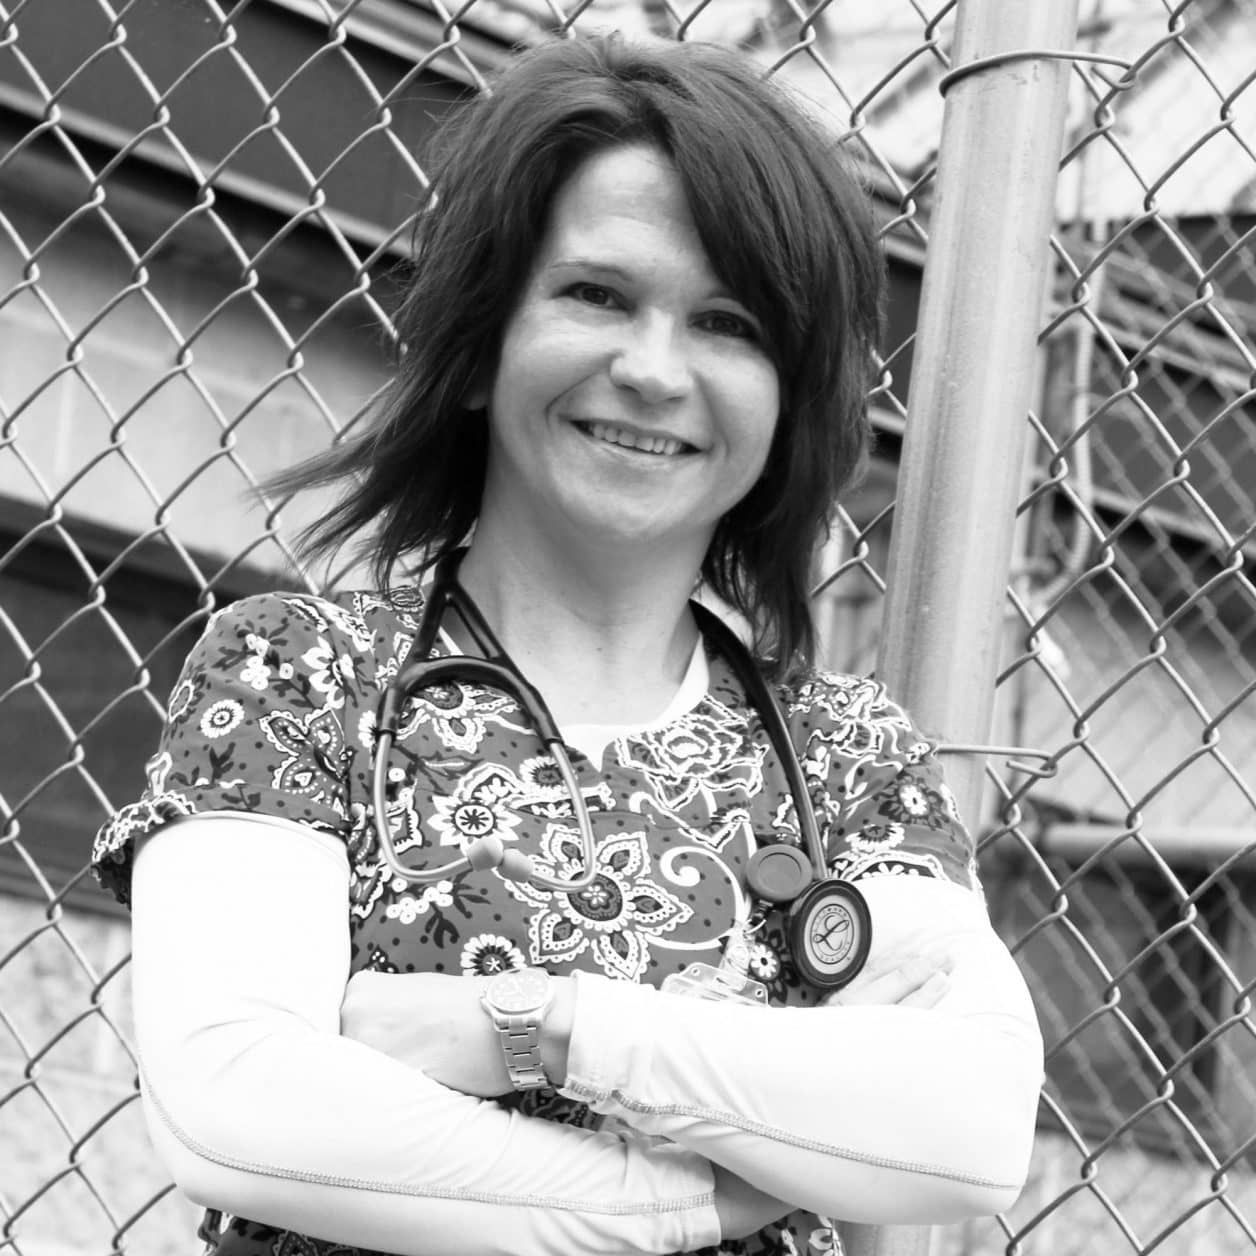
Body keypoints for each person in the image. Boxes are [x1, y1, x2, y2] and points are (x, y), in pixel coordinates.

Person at [92, 33, 1043, 1256]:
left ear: (788, 402)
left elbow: (961, 1128)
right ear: (483, 343)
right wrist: (691, 1194)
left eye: (728, 322)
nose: (651, 369)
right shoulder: (295, 675)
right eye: (596, 294)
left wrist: (539, 1027)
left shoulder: (846, 755)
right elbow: (238, 1108)